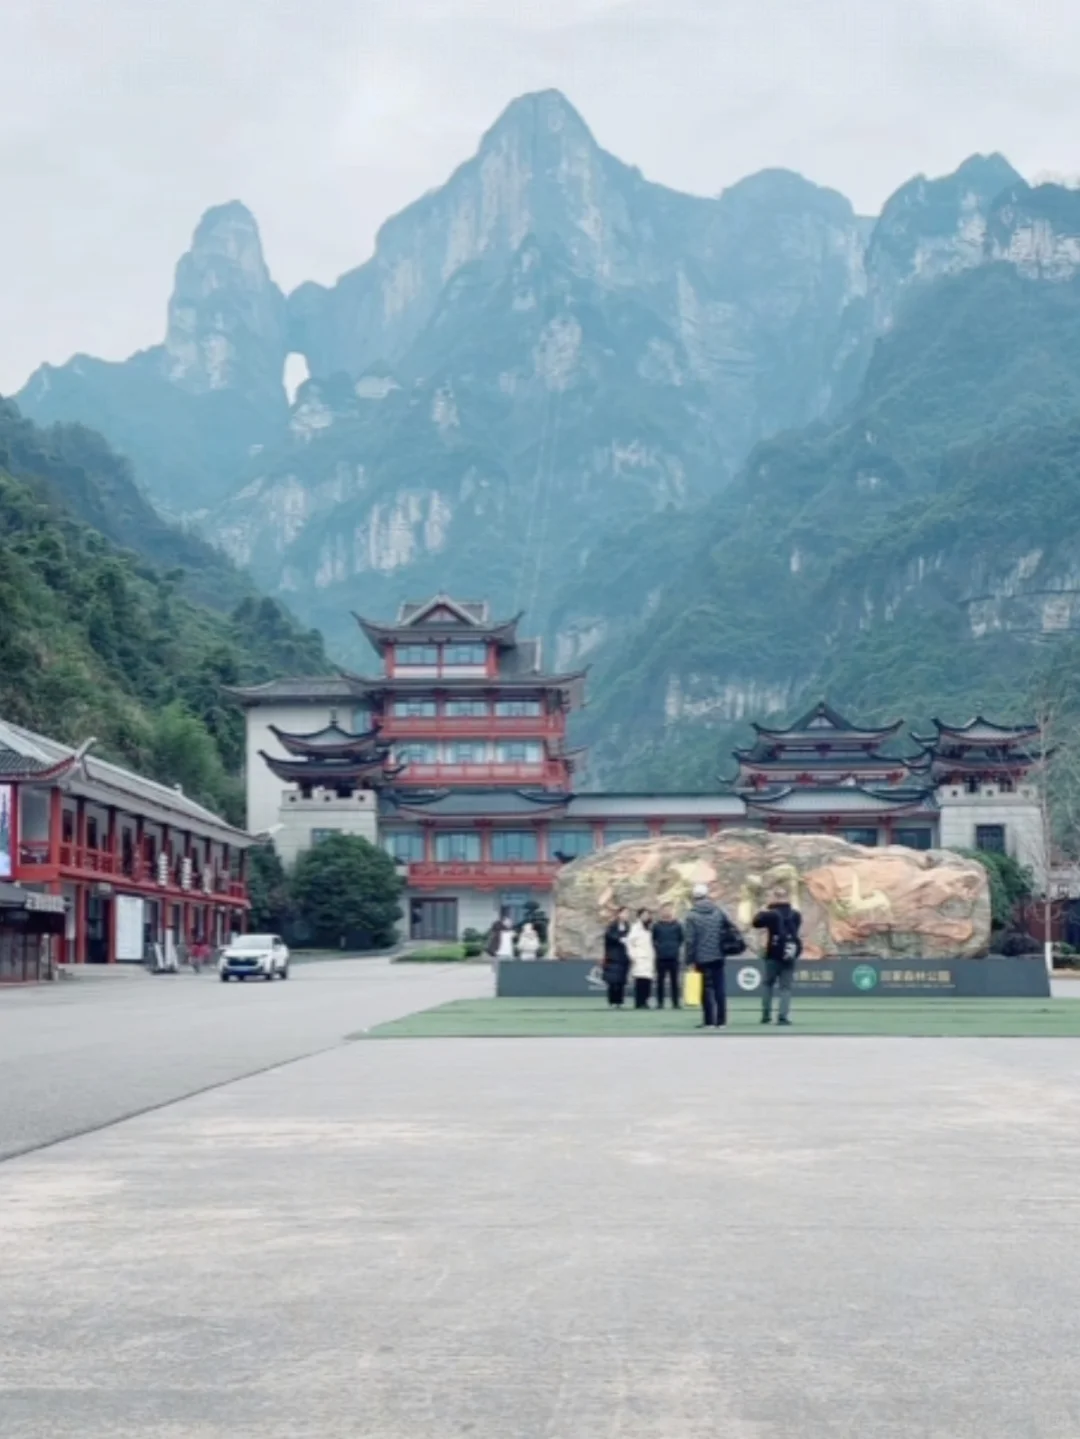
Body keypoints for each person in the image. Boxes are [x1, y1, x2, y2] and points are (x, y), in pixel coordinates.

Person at [683, 882, 744, 1029]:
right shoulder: (718, 911)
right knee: (719, 988)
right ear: (707, 895)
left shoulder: (691, 915)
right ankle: (721, 1021)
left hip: (701, 957)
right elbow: (730, 927)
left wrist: (688, 959)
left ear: (694, 897)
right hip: (718, 955)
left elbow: (690, 940)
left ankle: (709, 1021)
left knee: (705, 989)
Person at [754, 886, 803, 1026]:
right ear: (787, 897)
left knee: (768, 984)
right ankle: (783, 1017)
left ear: (774, 897)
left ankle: (766, 1015)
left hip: (773, 953)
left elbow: (756, 923)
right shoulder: (796, 914)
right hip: (790, 953)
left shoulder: (771, 914)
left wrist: (764, 909)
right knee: (785, 988)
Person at [651, 903, 684, 1009]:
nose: (667, 912)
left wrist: (674, 948)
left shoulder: (677, 925)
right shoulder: (656, 926)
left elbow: (681, 939)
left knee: (675, 981)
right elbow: (653, 939)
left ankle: (676, 1003)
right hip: (660, 957)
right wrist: (659, 948)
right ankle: (660, 1002)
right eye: (665, 910)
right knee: (660, 981)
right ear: (661, 912)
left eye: (669, 910)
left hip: (674, 957)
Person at [602, 907, 632, 1008]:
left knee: (621, 981)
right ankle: (612, 1001)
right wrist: (620, 939)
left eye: (627, 913)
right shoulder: (612, 925)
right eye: (624, 913)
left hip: (624, 957)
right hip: (613, 957)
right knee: (613, 981)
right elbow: (609, 936)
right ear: (619, 914)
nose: (626, 915)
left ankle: (620, 1001)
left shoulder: (628, 926)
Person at [627, 908, 656, 1009]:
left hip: (649, 957)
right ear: (639, 916)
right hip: (639, 957)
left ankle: (645, 1001)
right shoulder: (635, 928)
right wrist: (632, 955)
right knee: (640, 981)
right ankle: (639, 1002)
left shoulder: (650, 927)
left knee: (647, 981)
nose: (646, 917)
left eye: (647, 915)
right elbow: (630, 943)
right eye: (644, 915)